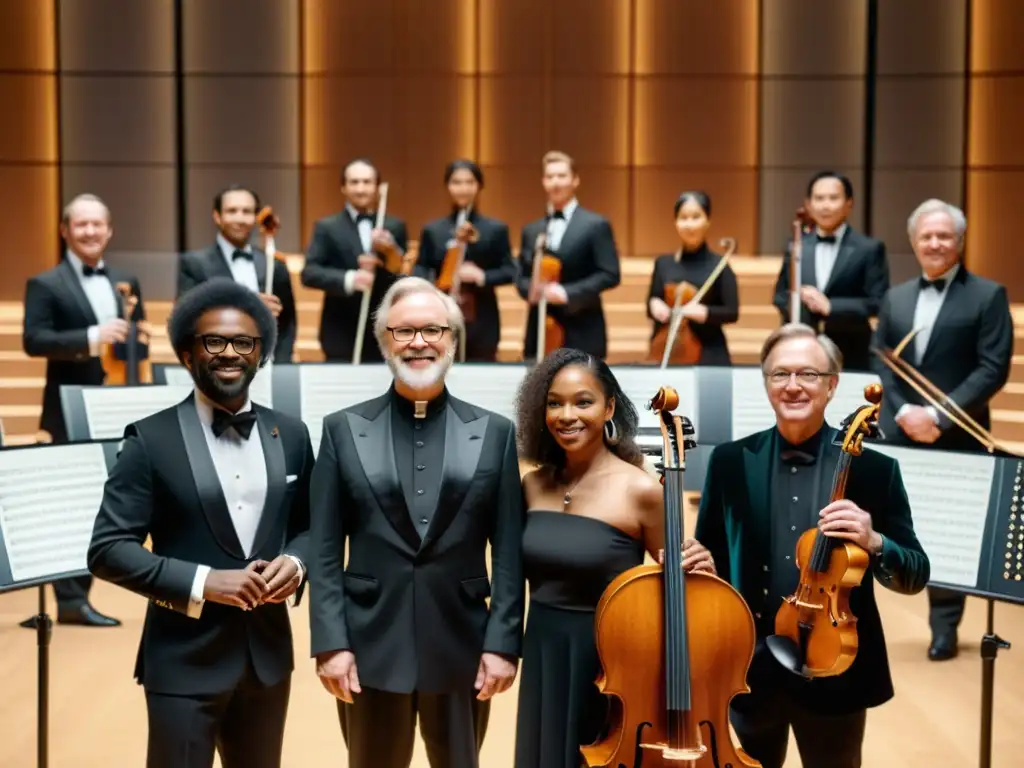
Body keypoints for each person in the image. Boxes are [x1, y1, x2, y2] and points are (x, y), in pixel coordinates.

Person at [87, 278, 313, 768]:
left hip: (266, 658)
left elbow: (312, 528)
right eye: (213, 341)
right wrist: (204, 582)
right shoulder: (150, 440)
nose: (229, 353)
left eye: (244, 343)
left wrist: (296, 562)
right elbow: (109, 548)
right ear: (188, 355)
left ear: (261, 354)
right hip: (183, 661)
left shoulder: (291, 434)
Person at [308, 276, 524, 768]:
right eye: (404, 332)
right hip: (367, 645)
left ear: (452, 339)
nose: (419, 342)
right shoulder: (341, 430)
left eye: (432, 330)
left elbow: (509, 552)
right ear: (385, 340)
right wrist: (331, 643)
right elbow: (323, 551)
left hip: (463, 645)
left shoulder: (495, 433)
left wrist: (503, 644)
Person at [693, 323, 930, 768]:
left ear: (832, 385)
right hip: (752, 671)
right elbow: (713, 563)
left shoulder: (875, 471)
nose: (794, 386)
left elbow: (915, 572)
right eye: (780, 374)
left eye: (808, 375)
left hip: (835, 667)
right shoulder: (729, 462)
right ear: (766, 383)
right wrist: (699, 567)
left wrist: (875, 540)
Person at [512, 347, 715, 768]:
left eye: (583, 402)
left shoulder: (641, 491)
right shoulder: (532, 484)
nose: (567, 415)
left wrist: (698, 567)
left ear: (609, 408)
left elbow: (672, 584)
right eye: (554, 403)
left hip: (610, 663)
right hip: (543, 651)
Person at [872, 198, 1013, 660]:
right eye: (926, 236)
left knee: (951, 527)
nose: (934, 243)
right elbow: (884, 363)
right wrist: (902, 413)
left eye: (944, 236)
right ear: (914, 242)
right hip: (901, 431)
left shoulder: (988, 295)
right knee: (906, 521)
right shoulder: (896, 297)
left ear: (959, 241)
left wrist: (936, 416)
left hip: (957, 433)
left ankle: (944, 626)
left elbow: (991, 370)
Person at [20, 193, 129, 628]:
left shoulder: (125, 280)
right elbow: (34, 340)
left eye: (97, 224)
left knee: (106, 503)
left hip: (114, 405)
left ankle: (78, 594)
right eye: (80, 224)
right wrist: (91, 336)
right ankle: (69, 598)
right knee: (73, 503)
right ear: (65, 230)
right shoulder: (45, 283)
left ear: (109, 230)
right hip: (68, 408)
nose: (89, 232)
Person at [772, 171, 890, 371]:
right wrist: (798, 300)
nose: (825, 205)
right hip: (803, 352)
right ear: (808, 204)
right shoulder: (796, 245)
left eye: (833, 198)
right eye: (819, 198)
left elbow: (878, 302)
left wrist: (831, 307)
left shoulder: (869, 249)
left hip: (852, 351)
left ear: (849, 203)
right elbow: (779, 296)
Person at [301, 158, 409, 362]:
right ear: (343, 187)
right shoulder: (327, 227)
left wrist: (391, 252)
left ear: (377, 187)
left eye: (367, 182)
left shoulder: (394, 226)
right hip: (340, 330)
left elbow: (402, 275)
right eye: (354, 182)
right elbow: (310, 273)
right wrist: (352, 279)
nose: (360, 189)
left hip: (386, 328)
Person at [516, 151, 621, 361]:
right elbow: (520, 276)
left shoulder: (595, 225)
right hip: (539, 331)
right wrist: (533, 290)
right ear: (543, 182)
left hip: (582, 329)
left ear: (575, 180)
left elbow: (610, 274)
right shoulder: (531, 230)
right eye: (550, 177)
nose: (555, 183)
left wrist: (566, 293)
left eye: (562, 176)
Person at [176, 183, 297, 363]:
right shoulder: (194, 263)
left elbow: (288, 324)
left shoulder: (274, 264)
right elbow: (187, 316)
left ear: (255, 217)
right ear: (217, 216)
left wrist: (279, 364)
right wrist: (247, 305)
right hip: (217, 365)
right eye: (232, 211)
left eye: (247, 212)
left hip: (266, 365)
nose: (240, 218)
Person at [413, 159, 516, 361]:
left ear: (479, 186)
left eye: (469, 182)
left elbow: (510, 271)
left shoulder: (495, 229)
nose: (463, 188)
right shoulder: (434, 230)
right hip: (441, 313)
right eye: (456, 182)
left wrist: (482, 276)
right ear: (447, 186)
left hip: (483, 318)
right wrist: (439, 279)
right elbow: (420, 267)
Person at [646, 191, 739, 365]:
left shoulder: (720, 265)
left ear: (707, 221)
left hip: (709, 352)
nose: (689, 225)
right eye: (683, 218)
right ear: (675, 222)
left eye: (696, 217)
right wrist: (654, 305)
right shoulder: (663, 263)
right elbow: (652, 300)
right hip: (667, 347)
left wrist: (706, 313)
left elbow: (732, 312)